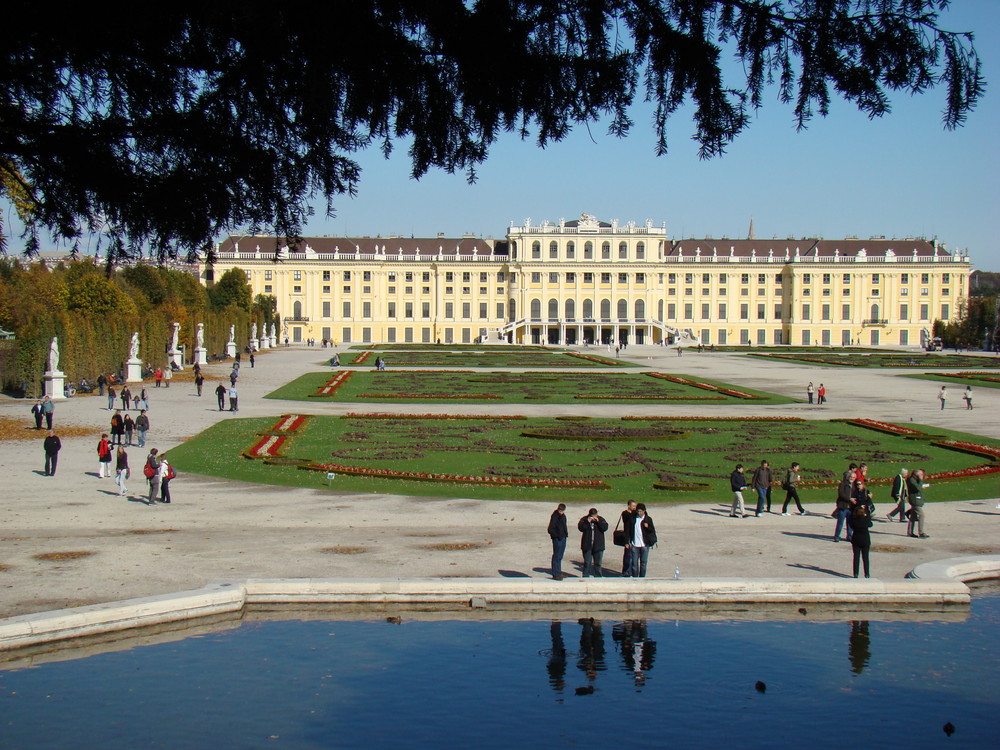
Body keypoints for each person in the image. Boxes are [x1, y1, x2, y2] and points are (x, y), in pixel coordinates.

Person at [625, 503, 657, 577]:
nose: (639, 513)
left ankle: (642, 578)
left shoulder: (648, 519)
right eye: (638, 511)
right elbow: (627, 531)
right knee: (634, 564)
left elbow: (652, 531)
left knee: (643, 563)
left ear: (644, 511)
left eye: (640, 511)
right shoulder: (632, 519)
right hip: (635, 544)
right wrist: (627, 542)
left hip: (644, 545)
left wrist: (647, 527)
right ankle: (635, 578)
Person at [578, 508, 608, 577]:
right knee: (587, 562)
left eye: (595, 516)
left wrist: (598, 522)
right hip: (587, 545)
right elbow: (580, 528)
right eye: (592, 516)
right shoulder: (584, 519)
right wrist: (587, 522)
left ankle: (598, 576)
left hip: (598, 545)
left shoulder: (601, 519)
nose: (594, 517)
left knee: (598, 563)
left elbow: (605, 528)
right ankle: (585, 576)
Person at [834, 463, 857, 542]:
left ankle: (849, 536)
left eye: (853, 477)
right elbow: (841, 494)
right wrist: (849, 499)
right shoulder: (843, 484)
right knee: (840, 523)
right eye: (851, 477)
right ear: (848, 477)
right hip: (843, 506)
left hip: (850, 508)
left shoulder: (854, 486)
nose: (852, 478)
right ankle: (837, 536)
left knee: (850, 524)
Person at [849, 505, 873, 578]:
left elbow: (851, 525)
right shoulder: (865, 520)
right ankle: (867, 573)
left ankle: (856, 573)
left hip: (856, 540)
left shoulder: (853, 520)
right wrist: (867, 515)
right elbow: (870, 524)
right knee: (865, 558)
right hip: (865, 540)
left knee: (856, 558)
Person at [906, 468, 929, 538]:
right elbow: (917, 488)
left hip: (916, 499)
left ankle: (910, 532)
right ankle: (921, 532)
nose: (922, 476)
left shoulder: (913, 480)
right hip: (915, 500)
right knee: (921, 515)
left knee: (913, 516)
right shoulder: (911, 480)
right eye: (921, 474)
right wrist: (920, 480)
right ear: (917, 475)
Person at [547, 503, 568, 580]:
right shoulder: (555, 516)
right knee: (556, 555)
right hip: (558, 539)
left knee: (560, 556)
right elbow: (550, 529)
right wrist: (557, 536)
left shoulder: (563, 516)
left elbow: (564, 526)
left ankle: (559, 572)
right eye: (560, 510)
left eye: (562, 510)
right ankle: (555, 573)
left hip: (563, 538)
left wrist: (565, 535)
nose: (560, 512)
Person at [619, 500, 637, 575]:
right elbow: (628, 518)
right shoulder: (625, 513)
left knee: (634, 556)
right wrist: (626, 541)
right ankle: (626, 571)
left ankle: (633, 571)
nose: (634, 508)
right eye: (633, 506)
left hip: (634, 536)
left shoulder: (635, 513)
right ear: (629, 506)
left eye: (635, 506)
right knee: (627, 556)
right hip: (628, 536)